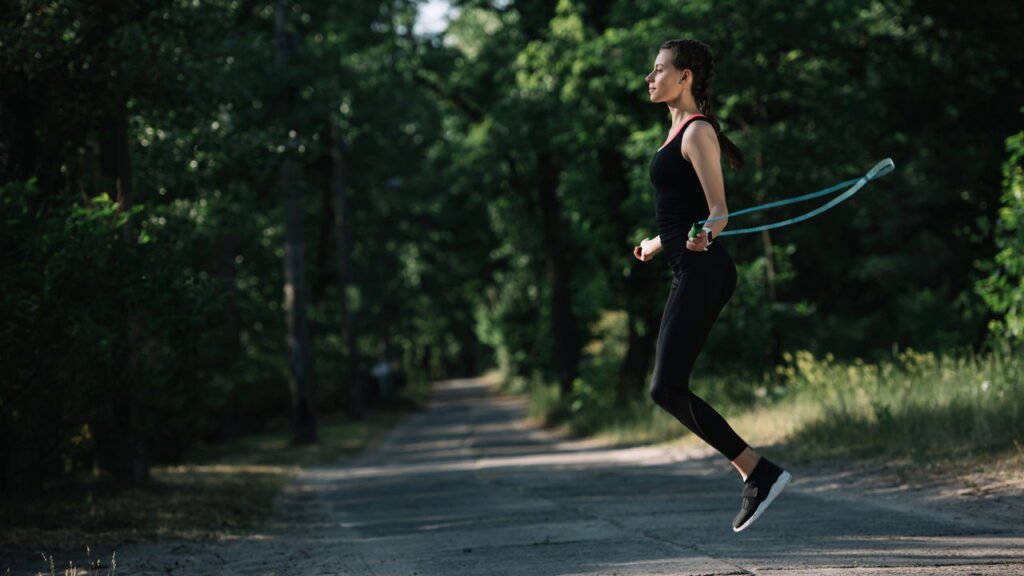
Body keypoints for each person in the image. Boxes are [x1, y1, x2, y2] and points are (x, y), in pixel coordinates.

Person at [633, 39, 791, 532]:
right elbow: (681, 208)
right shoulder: (673, 127)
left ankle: (758, 473)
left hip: (705, 269)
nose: (650, 77)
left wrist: (703, 234)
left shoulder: (697, 131)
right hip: (689, 267)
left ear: (685, 77)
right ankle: (756, 472)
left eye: (659, 70)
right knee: (667, 386)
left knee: (665, 386)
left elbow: (718, 211)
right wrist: (660, 241)